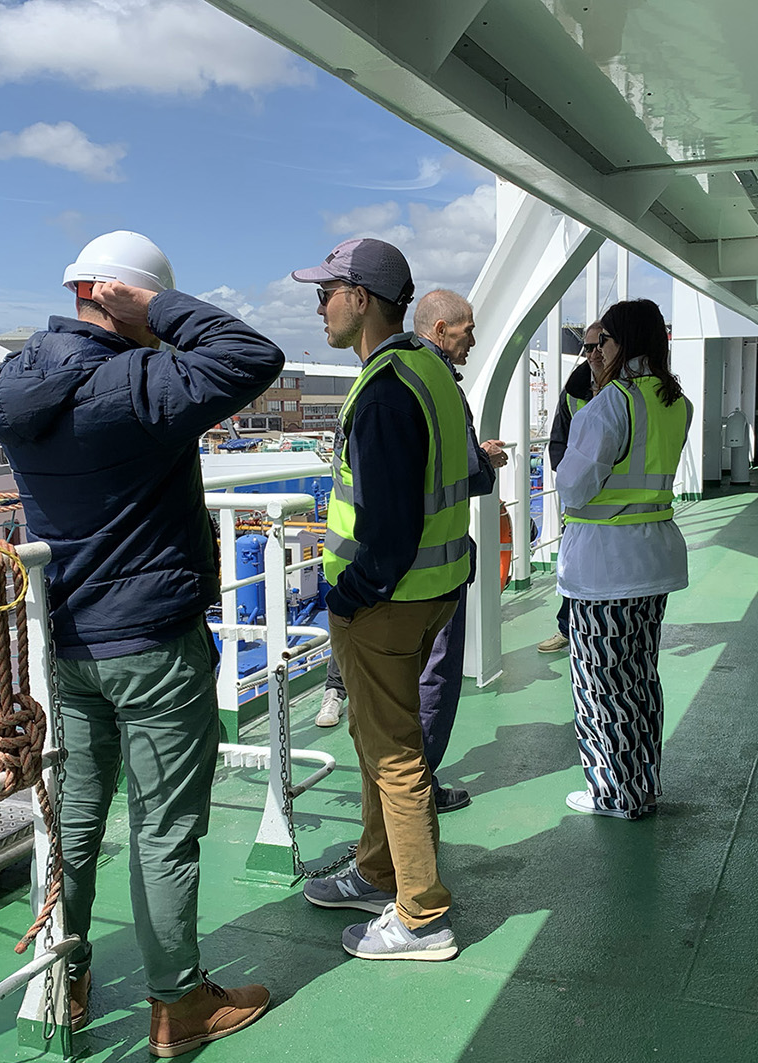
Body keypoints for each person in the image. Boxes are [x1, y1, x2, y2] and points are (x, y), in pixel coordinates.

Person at [0, 231, 283, 1056]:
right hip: (151, 640)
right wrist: (154, 309)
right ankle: (180, 1005)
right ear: (121, 297)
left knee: (75, 819)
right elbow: (252, 353)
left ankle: (61, 983)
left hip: (67, 644)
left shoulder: (9, 382)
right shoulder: (141, 379)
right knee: (163, 827)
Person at [292, 238, 470, 960]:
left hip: (385, 603)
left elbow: (388, 530)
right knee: (376, 741)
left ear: (360, 298)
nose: (318, 303)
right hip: (433, 592)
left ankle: (421, 914)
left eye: (326, 290)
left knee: (393, 754)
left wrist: (348, 596)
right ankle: (376, 869)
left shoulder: (385, 388)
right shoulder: (431, 372)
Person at [556, 299, 691, 819]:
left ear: (623, 344)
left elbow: (571, 488)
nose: (596, 351)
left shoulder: (612, 403)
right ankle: (643, 784)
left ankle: (613, 794)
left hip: (603, 568)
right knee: (640, 678)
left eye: (602, 341)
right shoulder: (674, 400)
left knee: (599, 683)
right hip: (652, 559)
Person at [411, 288, 508, 812]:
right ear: (441, 328)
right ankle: (418, 790)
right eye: (467, 328)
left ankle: (403, 788)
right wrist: (486, 460)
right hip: (439, 563)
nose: (473, 337)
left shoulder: (402, 377)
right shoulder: (441, 386)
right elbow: (461, 471)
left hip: (403, 569)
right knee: (437, 675)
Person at [538, 322, 604, 655]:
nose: (593, 353)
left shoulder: (625, 392)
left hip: (615, 504)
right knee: (572, 566)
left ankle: (593, 634)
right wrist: (570, 478)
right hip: (578, 499)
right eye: (588, 347)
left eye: (600, 345)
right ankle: (568, 628)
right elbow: (558, 442)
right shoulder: (574, 389)